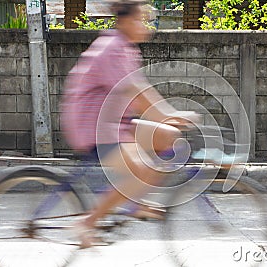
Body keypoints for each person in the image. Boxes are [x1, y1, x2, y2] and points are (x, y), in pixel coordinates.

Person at [61, 0, 199, 248]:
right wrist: (169, 114)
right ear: (125, 21)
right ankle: (87, 222)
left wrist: (169, 117)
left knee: (169, 138)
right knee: (141, 173)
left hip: (115, 122)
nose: (146, 25)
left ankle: (137, 201)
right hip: (93, 126)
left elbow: (141, 91)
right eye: (141, 19)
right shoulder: (112, 48)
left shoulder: (126, 48)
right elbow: (137, 96)